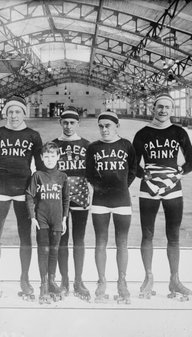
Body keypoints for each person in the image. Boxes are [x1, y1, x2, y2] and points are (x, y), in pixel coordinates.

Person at [0, 95, 43, 301]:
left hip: (24, 190)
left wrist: (36, 187)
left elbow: (41, 167)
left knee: (25, 237)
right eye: (10, 111)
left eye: (18, 111)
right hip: (0, 189)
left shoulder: (33, 135)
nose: (14, 115)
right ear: (6, 113)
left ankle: (24, 278)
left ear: (24, 113)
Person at [132, 92, 192, 299]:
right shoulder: (142, 133)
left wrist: (179, 173)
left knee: (173, 235)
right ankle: (148, 278)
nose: (163, 110)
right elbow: (133, 163)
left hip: (173, 187)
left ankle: (174, 280)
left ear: (171, 110)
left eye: (167, 107)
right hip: (148, 187)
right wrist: (145, 175)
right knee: (147, 234)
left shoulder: (179, 132)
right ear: (153, 108)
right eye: (160, 107)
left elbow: (191, 159)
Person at [86, 111, 137, 303]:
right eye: (101, 126)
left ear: (117, 127)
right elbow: (89, 173)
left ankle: (122, 281)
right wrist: (100, 188)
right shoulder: (93, 147)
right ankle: (101, 281)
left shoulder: (126, 145)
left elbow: (133, 169)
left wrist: (123, 185)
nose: (104, 129)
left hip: (122, 200)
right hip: (100, 200)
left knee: (122, 242)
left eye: (108, 125)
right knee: (101, 242)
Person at [53, 107, 91, 300]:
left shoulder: (87, 145)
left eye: (72, 123)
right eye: (65, 122)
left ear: (78, 123)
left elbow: (94, 172)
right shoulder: (52, 144)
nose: (68, 126)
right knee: (62, 239)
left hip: (81, 195)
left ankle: (78, 280)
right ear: (60, 123)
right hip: (59, 196)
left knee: (79, 239)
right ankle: (64, 280)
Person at [26, 142, 70, 303]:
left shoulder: (63, 176)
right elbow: (30, 196)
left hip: (58, 220)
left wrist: (65, 219)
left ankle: (52, 281)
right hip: (42, 220)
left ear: (58, 157)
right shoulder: (37, 175)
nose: (50, 159)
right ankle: (44, 285)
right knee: (43, 250)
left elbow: (66, 199)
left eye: (53, 156)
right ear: (42, 158)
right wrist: (32, 218)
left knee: (54, 251)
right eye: (47, 156)